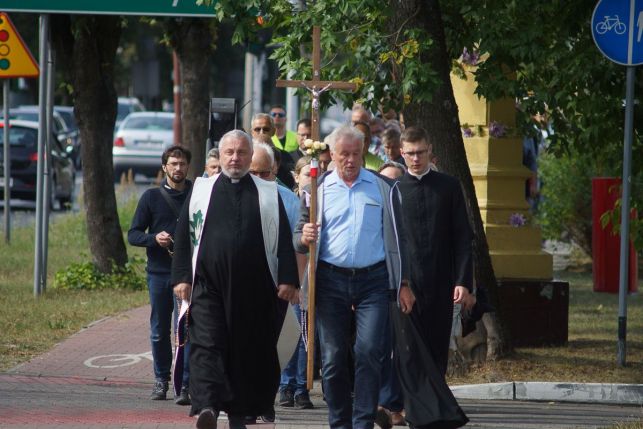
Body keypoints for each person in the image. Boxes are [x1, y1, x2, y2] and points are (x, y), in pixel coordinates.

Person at [171, 130, 299, 429]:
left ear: (250, 156)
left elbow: (283, 237)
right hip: (208, 286)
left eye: (242, 152)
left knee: (246, 350)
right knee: (207, 344)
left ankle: (240, 413)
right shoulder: (202, 190)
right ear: (220, 154)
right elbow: (183, 235)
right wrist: (181, 277)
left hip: (254, 289)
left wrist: (288, 278)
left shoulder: (268, 193)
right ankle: (208, 406)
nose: (235, 158)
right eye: (229, 152)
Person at [295, 125, 411, 429]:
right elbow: (298, 237)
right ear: (332, 155)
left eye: (355, 154)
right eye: (344, 154)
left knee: (369, 351)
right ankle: (340, 423)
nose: (350, 160)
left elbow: (400, 238)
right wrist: (305, 236)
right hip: (330, 280)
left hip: (374, 280)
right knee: (333, 357)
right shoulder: (316, 189)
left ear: (363, 154)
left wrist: (404, 282)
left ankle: (362, 423)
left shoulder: (383, 188)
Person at [394, 126, 472, 428]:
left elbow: (462, 237)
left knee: (437, 348)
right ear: (402, 153)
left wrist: (463, 281)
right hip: (407, 283)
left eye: (421, 153)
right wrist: (399, 281)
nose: (416, 159)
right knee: (410, 349)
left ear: (430, 151)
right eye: (410, 153)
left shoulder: (448, 186)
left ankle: (435, 410)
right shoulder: (395, 190)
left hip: (442, 280)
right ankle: (413, 410)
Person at [127, 145, 193, 403]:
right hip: (159, 273)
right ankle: (161, 379)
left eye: (182, 164)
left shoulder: (196, 194)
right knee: (159, 329)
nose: (178, 168)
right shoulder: (151, 197)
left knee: (185, 328)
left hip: (187, 274)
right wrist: (154, 238)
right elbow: (133, 234)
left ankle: (185, 383)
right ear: (164, 167)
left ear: (188, 167)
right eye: (173, 164)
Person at [251, 113, 296, 189]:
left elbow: (290, 184)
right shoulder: (245, 155)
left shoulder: (285, 157)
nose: (262, 132)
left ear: (273, 131)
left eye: (266, 129)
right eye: (257, 129)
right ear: (252, 132)